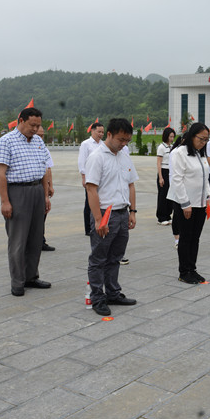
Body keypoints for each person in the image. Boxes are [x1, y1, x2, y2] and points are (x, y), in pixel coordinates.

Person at [0, 107, 52, 296]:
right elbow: (1, 174)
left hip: (36, 190)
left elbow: (44, 170)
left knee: (35, 239)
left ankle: (31, 277)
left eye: (38, 126)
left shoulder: (38, 142)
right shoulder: (6, 141)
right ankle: (17, 281)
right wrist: (5, 201)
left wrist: (45, 196)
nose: (35, 129)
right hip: (17, 192)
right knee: (18, 240)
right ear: (21, 120)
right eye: (32, 125)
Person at [84, 118, 139, 316]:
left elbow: (131, 184)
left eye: (127, 140)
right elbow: (91, 189)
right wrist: (98, 219)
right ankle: (98, 297)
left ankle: (113, 292)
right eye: (120, 139)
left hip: (122, 213)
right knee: (99, 258)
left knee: (115, 257)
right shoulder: (97, 157)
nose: (124, 143)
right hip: (105, 214)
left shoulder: (124, 156)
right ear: (108, 134)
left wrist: (132, 211)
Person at [168, 123, 210, 284]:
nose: (203, 142)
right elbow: (177, 179)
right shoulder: (180, 153)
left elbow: (205, 178)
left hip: (200, 203)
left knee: (195, 238)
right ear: (192, 136)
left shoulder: (200, 154)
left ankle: (192, 269)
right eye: (201, 139)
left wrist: (209, 196)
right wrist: (185, 203)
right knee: (186, 238)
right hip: (186, 204)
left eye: (206, 140)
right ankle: (184, 271)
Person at [79, 122, 104, 235]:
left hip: (101, 178)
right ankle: (88, 228)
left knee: (101, 201)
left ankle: (99, 224)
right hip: (90, 177)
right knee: (89, 203)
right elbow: (82, 161)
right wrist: (83, 177)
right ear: (92, 131)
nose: (101, 134)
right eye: (99, 132)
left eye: (102, 132)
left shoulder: (103, 144)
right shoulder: (86, 144)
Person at [36, 125, 55, 251]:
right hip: (32, 187)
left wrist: (50, 185)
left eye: (43, 135)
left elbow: (48, 168)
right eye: (39, 135)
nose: (41, 138)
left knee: (42, 215)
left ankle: (40, 241)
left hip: (42, 187)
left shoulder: (43, 148)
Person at [155, 127, 175, 225]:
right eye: (170, 136)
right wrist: (161, 177)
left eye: (173, 137)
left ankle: (168, 215)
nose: (172, 138)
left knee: (169, 195)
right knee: (162, 196)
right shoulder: (161, 147)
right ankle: (161, 217)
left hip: (170, 172)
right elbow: (159, 163)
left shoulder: (171, 147)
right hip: (163, 171)